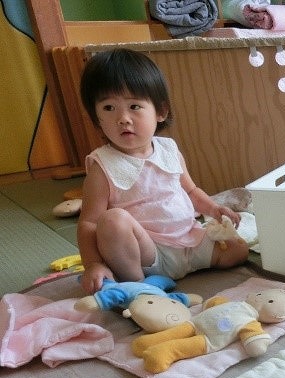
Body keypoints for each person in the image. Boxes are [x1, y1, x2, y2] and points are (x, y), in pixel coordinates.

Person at [77, 48, 249, 295]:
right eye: (108, 108)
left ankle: (185, 267)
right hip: (148, 253)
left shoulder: (168, 149)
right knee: (112, 221)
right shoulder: (102, 166)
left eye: (134, 106)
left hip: (189, 239)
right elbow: (89, 223)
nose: (123, 118)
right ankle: (138, 286)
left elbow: (191, 190)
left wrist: (214, 209)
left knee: (239, 249)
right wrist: (93, 264)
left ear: (161, 112)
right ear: (96, 117)